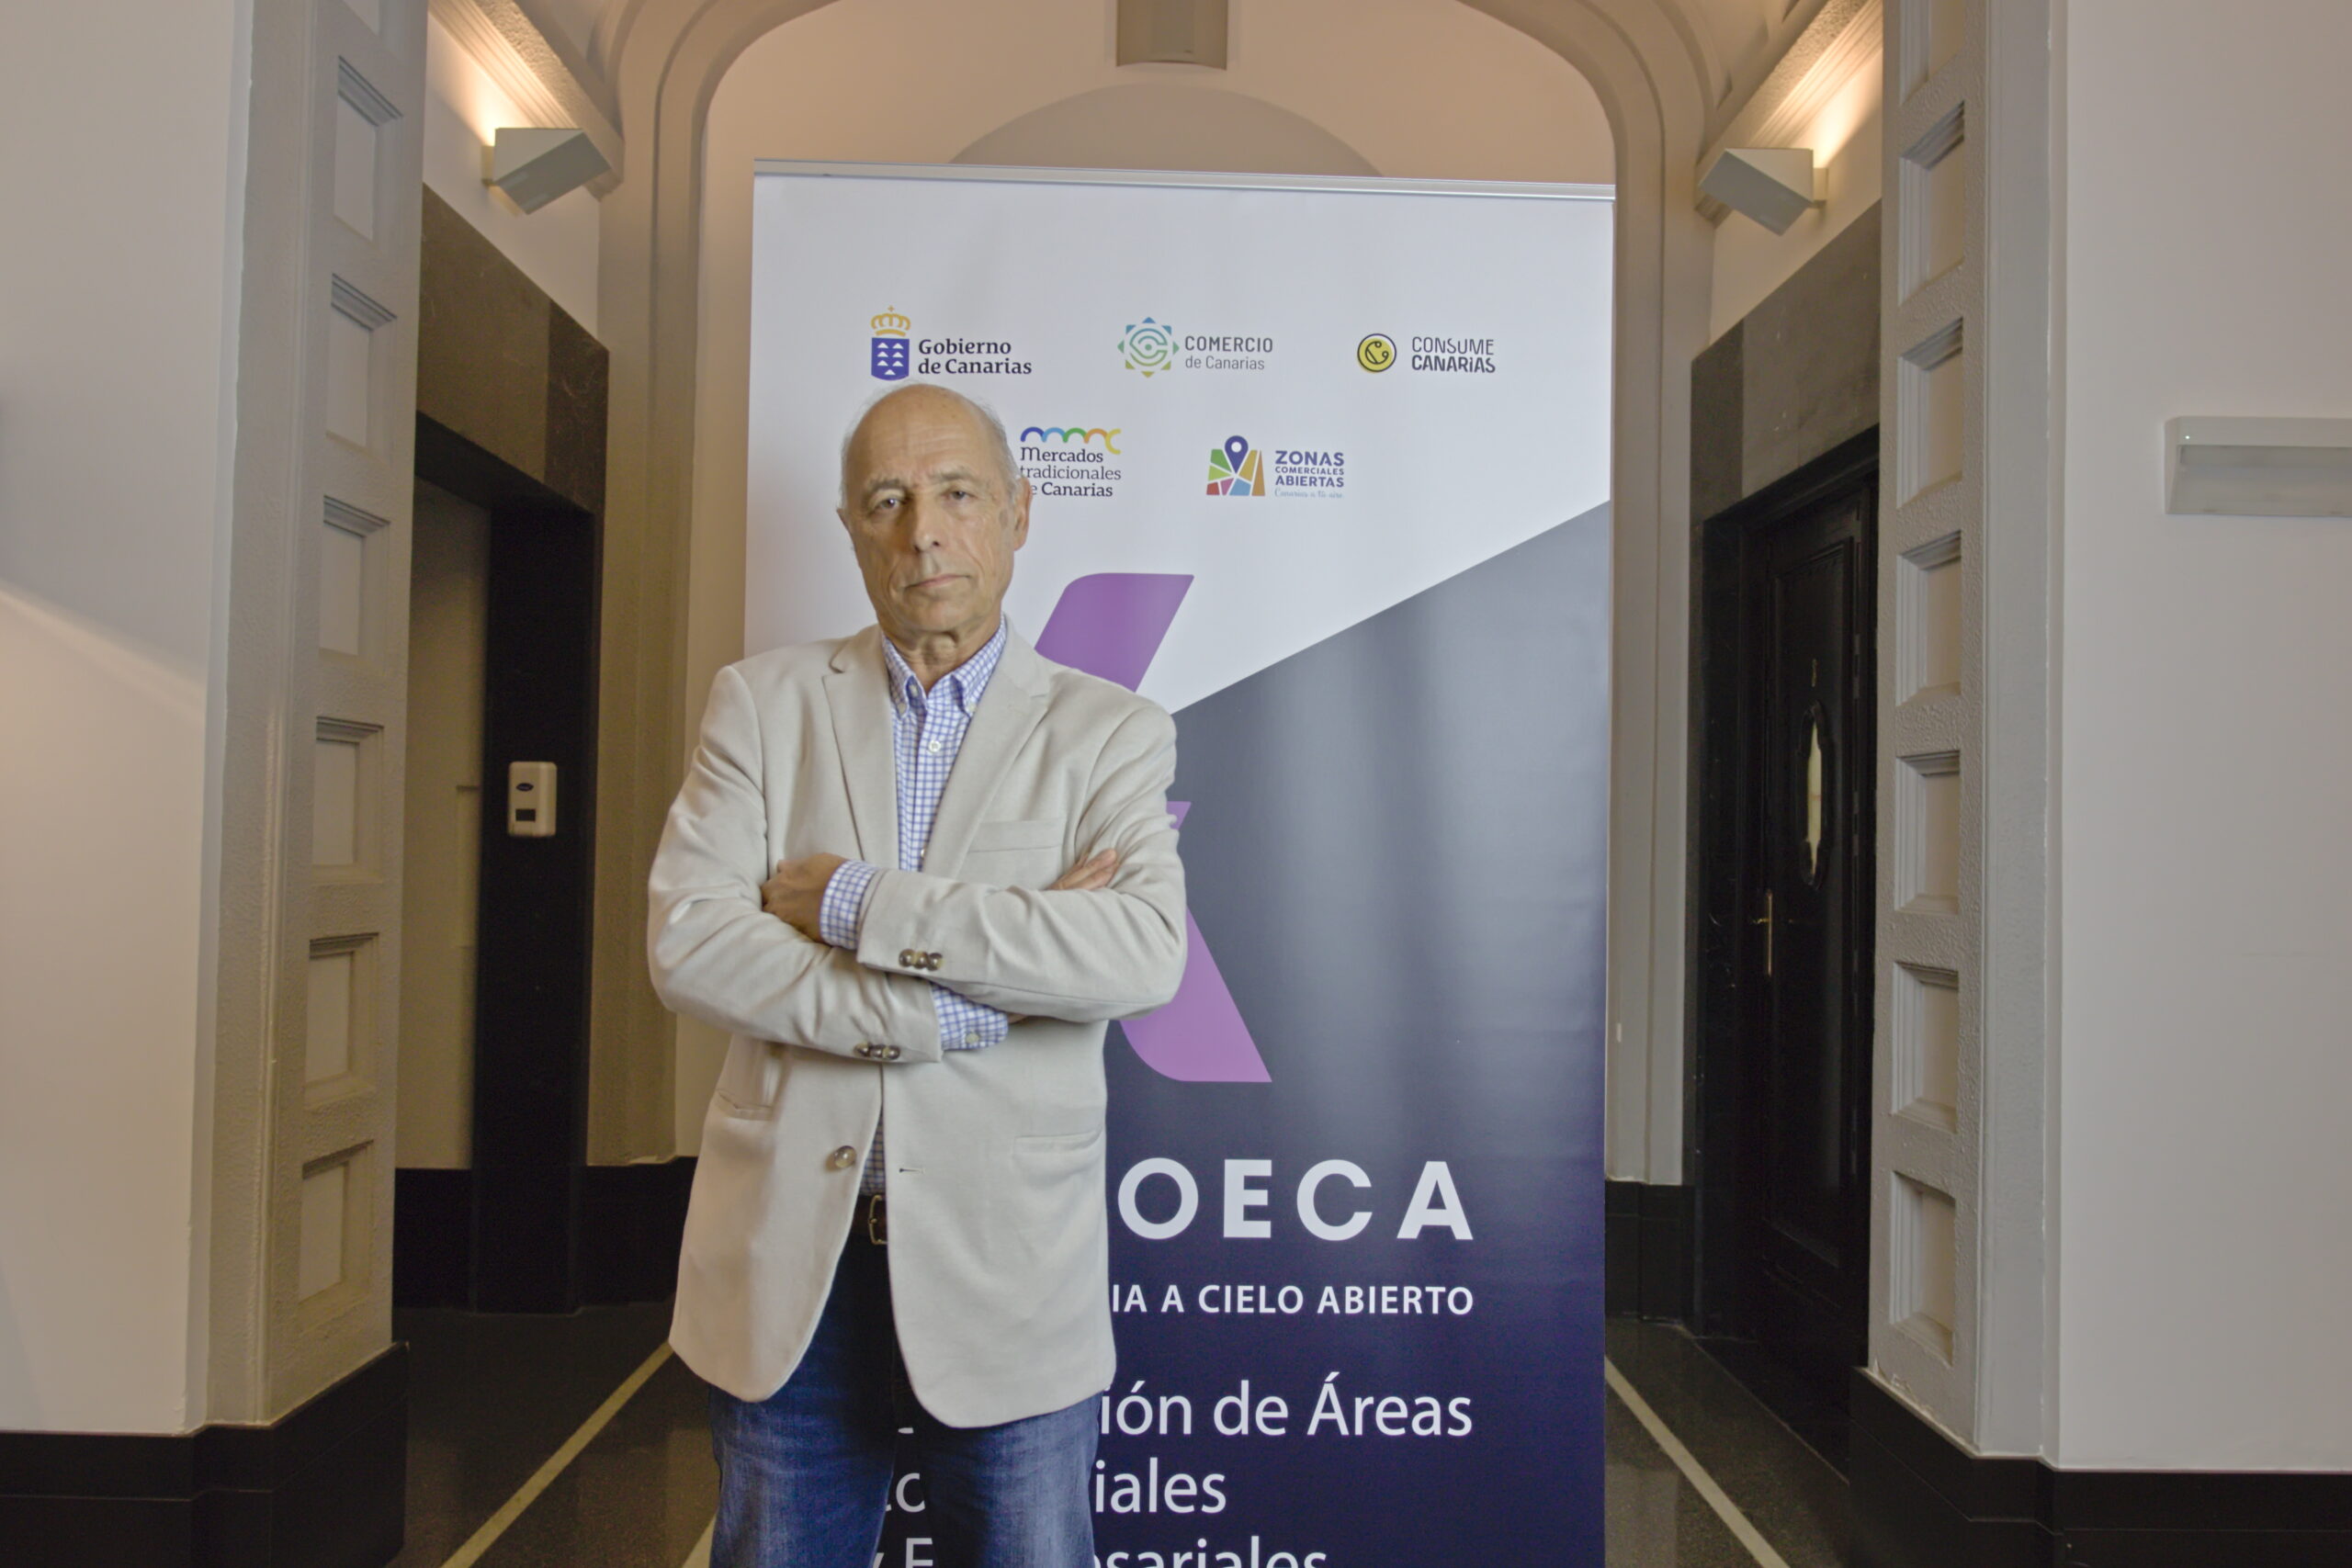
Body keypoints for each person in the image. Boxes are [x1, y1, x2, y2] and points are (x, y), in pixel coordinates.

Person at [647, 382, 1187, 1568]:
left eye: (957, 495)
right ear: (850, 525)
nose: (923, 532)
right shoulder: (760, 705)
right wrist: (957, 1007)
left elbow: (1137, 951)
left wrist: (853, 902)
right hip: (791, 1264)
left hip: (1007, 1269)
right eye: (887, 500)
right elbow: (692, 942)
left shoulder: (1109, 731)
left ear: (1019, 513)